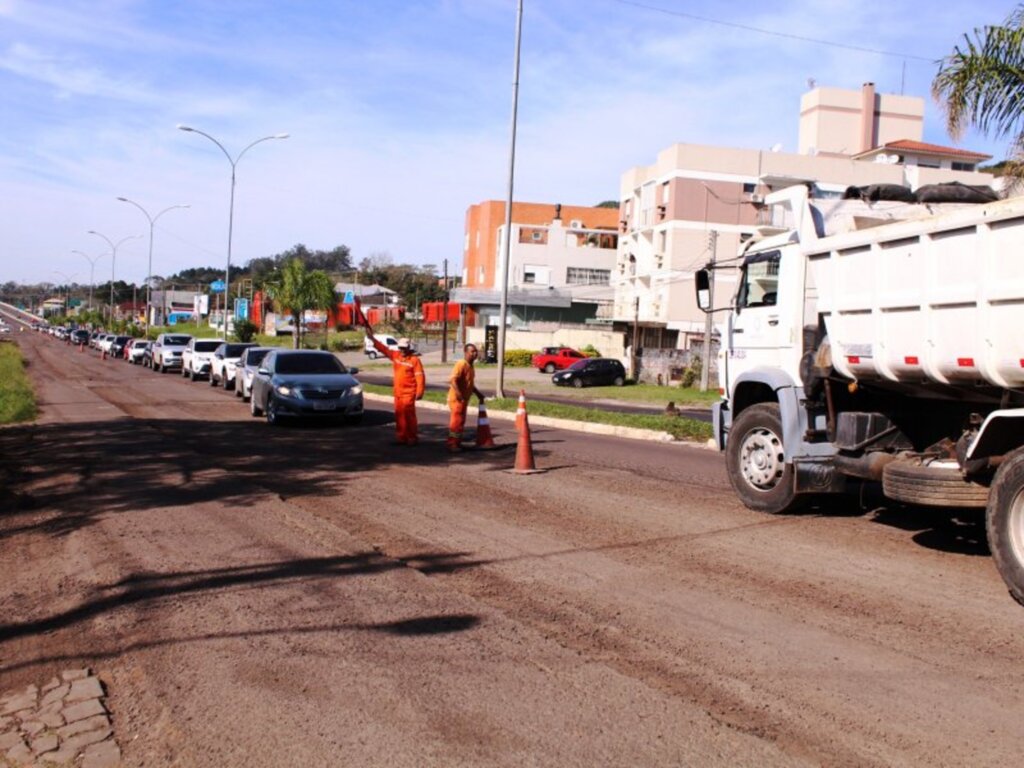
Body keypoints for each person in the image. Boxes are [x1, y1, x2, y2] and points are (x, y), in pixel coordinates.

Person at [364, 324, 425, 445]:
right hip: (398, 393)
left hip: (409, 393)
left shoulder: (414, 360)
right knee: (399, 415)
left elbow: (420, 377)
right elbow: (383, 348)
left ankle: (412, 437)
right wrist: (372, 338)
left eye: (404, 348)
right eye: (400, 348)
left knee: (409, 416)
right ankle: (401, 437)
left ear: (409, 348)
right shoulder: (396, 356)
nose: (402, 350)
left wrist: (420, 392)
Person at [447, 343, 485, 452]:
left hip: (464, 399)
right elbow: (453, 380)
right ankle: (452, 444)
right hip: (457, 399)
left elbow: (469, 384)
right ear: (466, 352)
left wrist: (478, 394)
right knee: (456, 422)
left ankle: (457, 443)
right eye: (472, 351)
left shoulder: (470, 366)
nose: (475, 353)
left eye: (475, 351)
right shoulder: (461, 364)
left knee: (460, 422)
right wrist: (459, 394)